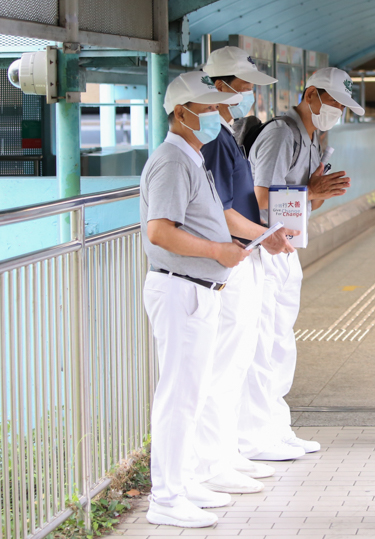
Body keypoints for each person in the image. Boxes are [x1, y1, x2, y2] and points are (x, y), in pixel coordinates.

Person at [139, 71, 253, 529]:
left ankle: (183, 482)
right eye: (206, 108)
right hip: (180, 287)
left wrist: (225, 248)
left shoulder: (193, 156)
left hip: (196, 289)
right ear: (181, 112)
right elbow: (160, 231)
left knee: (192, 392)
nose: (215, 114)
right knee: (178, 396)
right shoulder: (172, 161)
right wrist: (217, 251)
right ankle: (166, 499)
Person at [194, 46, 300, 490]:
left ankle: (228, 452)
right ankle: (211, 464)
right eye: (244, 87)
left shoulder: (226, 136)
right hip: (231, 258)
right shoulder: (213, 142)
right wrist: (265, 234)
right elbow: (220, 210)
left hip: (243, 253)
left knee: (238, 359)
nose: (250, 95)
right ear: (220, 87)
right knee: (224, 362)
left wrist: (263, 235)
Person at [246, 67, 363, 458]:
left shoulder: (310, 138)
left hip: (288, 249)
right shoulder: (282, 134)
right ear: (311, 94)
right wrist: (309, 191)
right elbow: (259, 197)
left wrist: (316, 195)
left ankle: (277, 428)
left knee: (281, 342)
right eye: (334, 102)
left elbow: (298, 199)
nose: (338, 112)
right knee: (263, 342)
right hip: (266, 250)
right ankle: (255, 436)